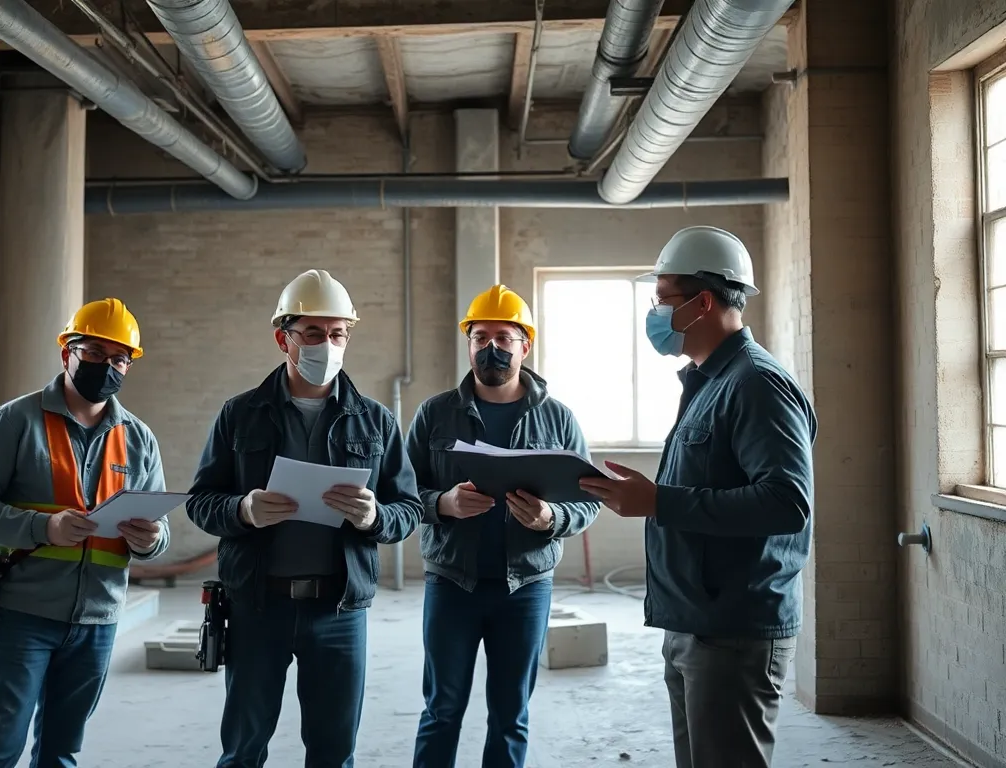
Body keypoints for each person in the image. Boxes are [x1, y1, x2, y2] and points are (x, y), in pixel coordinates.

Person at [578, 226, 817, 768]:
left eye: (663, 299)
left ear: (703, 302)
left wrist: (660, 502)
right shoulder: (710, 381)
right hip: (696, 621)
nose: (654, 314)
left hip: (734, 628)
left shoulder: (755, 383)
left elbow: (785, 503)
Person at [186, 269, 423, 768]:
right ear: (283, 339)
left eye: (338, 334)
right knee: (243, 749)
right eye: (313, 333)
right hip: (257, 607)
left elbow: (409, 510)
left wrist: (375, 516)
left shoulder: (376, 420)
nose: (328, 345)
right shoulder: (241, 414)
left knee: (334, 753)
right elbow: (200, 501)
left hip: (338, 609)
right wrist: (243, 509)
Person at [0, 298, 171, 768]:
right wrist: (42, 527)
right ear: (66, 351)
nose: (106, 366)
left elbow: (160, 530)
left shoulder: (138, 437)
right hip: (22, 615)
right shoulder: (15, 421)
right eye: (93, 352)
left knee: (62, 753)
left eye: (119, 359)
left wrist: (150, 540)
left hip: (98, 620)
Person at [405, 284, 600, 768]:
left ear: (525, 344)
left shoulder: (557, 418)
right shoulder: (435, 414)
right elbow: (402, 493)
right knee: (442, 708)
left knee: (511, 712)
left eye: (504, 337)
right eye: (481, 336)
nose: (492, 347)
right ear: (468, 343)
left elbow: (590, 499)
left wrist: (552, 517)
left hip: (526, 588)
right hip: (451, 584)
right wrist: (443, 504)